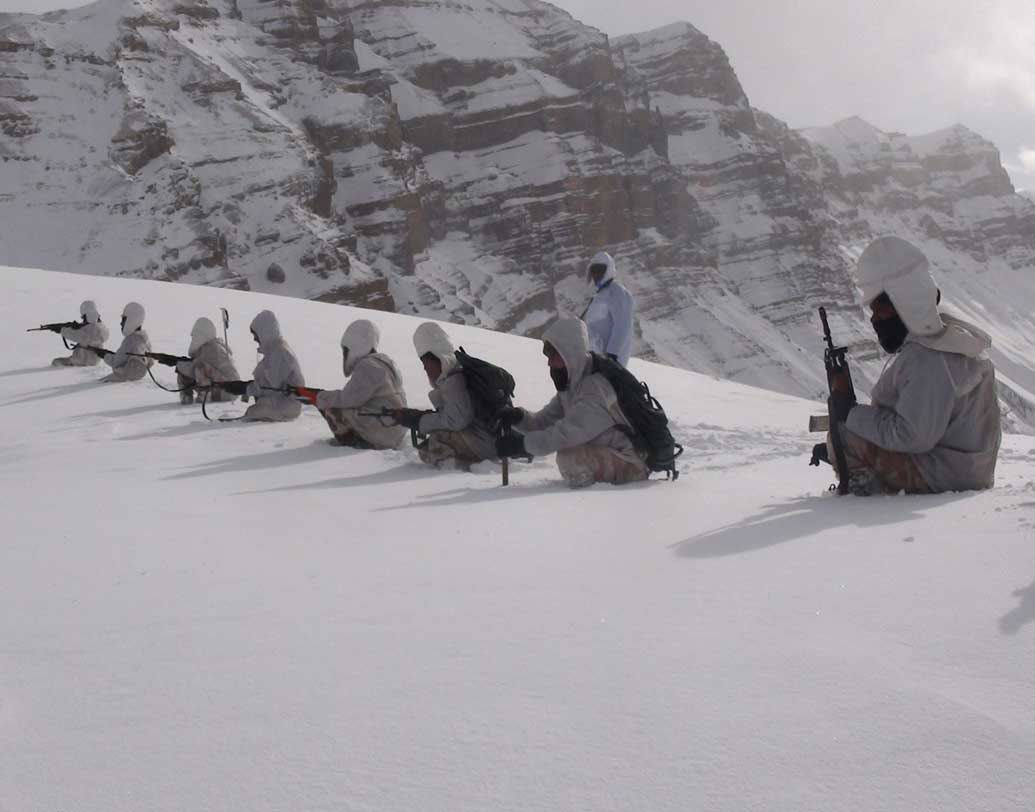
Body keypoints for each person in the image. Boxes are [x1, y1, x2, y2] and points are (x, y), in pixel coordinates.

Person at [825, 236, 1001, 495]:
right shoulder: (943, 342)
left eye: (880, 311)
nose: (875, 320)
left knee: (843, 438)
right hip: (965, 468)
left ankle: (864, 499)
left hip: (947, 475)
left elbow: (912, 436)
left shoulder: (928, 359)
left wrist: (850, 414)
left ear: (902, 305)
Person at [496, 316, 648, 488]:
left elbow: (563, 435)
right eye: (546, 353)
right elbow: (543, 422)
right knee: (570, 455)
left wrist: (523, 445)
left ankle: (588, 503)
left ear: (570, 353)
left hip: (630, 464)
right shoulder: (573, 383)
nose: (549, 362)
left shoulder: (595, 389)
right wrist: (518, 417)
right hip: (606, 451)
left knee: (569, 458)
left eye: (554, 354)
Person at [391, 322, 496, 468]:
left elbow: (457, 420)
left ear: (438, 359)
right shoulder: (458, 371)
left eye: (426, 364)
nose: (425, 369)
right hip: (488, 439)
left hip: (483, 444)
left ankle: (460, 467)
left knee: (434, 445)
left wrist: (420, 420)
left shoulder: (454, 379)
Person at [310, 319, 408, 449]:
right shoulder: (385, 362)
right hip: (397, 428)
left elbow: (348, 399)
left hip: (384, 432)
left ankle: (352, 444)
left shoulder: (367, 366)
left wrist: (320, 397)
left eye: (346, 350)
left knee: (333, 409)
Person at [227, 310, 305, 422]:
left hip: (287, 405)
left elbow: (272, 388)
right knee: (255, 411)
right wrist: (244, 387)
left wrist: (245, 388)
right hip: (281, 402)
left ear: (264, 332)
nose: (254, 339)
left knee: (255, 411)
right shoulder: (274, 351)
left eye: (256, 335)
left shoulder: (280, 353)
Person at [581, 250, 634, 367]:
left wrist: (612, 355)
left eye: (600, 270)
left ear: (608, 270)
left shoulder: (617, 291)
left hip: (609, 363)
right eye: (593, 271)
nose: (596, 275)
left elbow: (623, 325)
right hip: (595, 359)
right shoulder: (598, 296)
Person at [175, 317, 240, 405]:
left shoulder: (212, 348)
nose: (193, 336)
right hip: (226, 390)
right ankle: (190, 396)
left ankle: (204, 395)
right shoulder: (208, 348)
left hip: (226, 392)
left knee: (198, 366)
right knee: (186, 367)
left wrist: (181, 366)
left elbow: (197, 366)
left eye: (197, 334)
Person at [99, 302, 152, 382]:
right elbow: (150, 361)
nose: (121, 323)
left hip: (125, 376)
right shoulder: (143, 339)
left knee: (98, 382)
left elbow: (116, 362)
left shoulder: (130, 340)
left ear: (131, 320)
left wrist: (104, 355)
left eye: (123, 319)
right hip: (138, 376)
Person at [51, 301, 109, 367]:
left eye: (83, 317)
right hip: (92, 360)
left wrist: (62, 330)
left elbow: (77, 336)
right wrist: (76, 327)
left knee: (56, 362)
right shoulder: (101, 327)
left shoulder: (92, 329)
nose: (83, 319)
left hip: (82, 361)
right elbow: (86, 333)